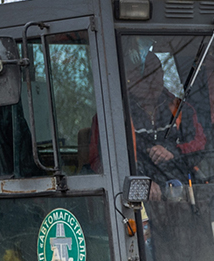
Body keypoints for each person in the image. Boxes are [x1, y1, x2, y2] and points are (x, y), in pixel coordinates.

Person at [84, 51, 206, 200]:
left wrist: (172, 151)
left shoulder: (181, 109)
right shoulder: (110, 116)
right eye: (144, 76)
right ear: (128, 78)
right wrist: (140, 183)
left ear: (162, 75)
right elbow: (100, 162)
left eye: (155, 73)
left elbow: (200, 147)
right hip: (132, 204)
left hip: (183, 194)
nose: (151, 81)